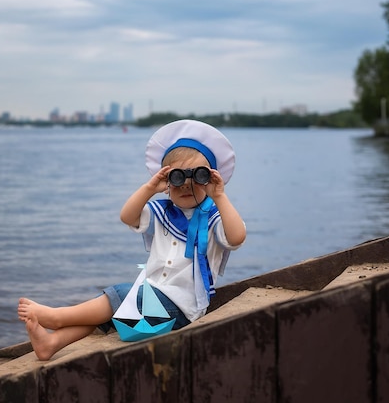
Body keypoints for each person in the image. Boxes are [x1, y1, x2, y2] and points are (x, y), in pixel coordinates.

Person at [18, 120, 246, 360]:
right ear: (167, 183)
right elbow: (127, 216)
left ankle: (56, 317)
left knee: (121, 295)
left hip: (180, 310)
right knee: (106, 308)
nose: (187, 185)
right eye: (177, 178)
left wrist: (219, 196)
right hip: (153, 303)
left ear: (209, 180)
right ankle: (52, 343)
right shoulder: (162, 212)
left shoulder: (214, 218)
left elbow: (237, 237)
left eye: (198, 177)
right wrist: (150, 188)